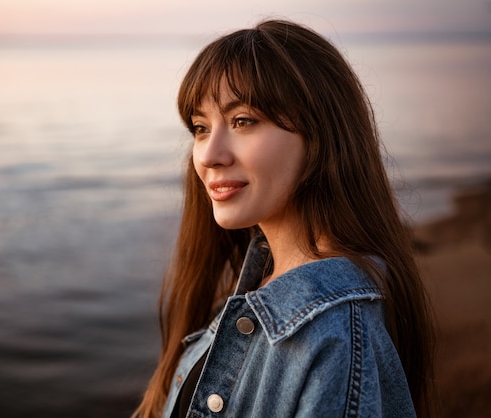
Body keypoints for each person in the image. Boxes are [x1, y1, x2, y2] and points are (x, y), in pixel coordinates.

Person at [134, 19, 435, 418]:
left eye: (243, 121)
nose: (207, 155)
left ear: (320, 135)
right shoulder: (263, 285)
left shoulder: (333, 333)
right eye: (201, 128)